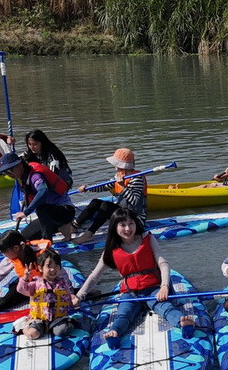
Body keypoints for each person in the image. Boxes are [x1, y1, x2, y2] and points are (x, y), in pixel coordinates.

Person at [76, 209, 196, 349]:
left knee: (165, 307)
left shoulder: (147, 238)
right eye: (122, 225)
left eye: (131, 223)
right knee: (124, 314)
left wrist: (164, 286)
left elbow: (163, 264)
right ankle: (115, 333)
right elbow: (94, 276)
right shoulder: (111, 249)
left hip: (154, 288)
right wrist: (79, 296)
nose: (128, 228)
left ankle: (183, 323)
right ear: (115, 227)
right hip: (130, 292)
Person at [71, 148, 146, 243]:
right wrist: (87, 188)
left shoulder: (137, 178)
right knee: (96, 202)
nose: (114, 166)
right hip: (123, 212)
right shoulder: (120, 175)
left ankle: (89, 234)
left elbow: (134, 201)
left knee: (106, 206)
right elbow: (105, 186)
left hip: (134, 219)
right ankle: (74, 226)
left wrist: (123, 186)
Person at [0, 152, 75, 241]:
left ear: (20, 166)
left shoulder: (35, 176)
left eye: (9, 171)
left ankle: (48, 242)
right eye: (5, 172)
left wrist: (26, 212)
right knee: (25, 237)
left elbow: (43, 190)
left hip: (65, 211)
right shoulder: (23, 177)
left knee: (41, 208)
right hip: (50, 215)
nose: (8, 174)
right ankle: (62, 227)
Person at [12, 249, 78, 339]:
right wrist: (25, 278)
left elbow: (66, 297)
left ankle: (68, 323)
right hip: (39, 320)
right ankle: (23, 328)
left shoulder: (62, 283)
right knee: (33, 334)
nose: (53, 269)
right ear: (40, 268)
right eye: (48, 266)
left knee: (62, 331)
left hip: (57, 319)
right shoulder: (35, 284)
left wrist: (72, 303)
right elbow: (21, 289)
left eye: (56, 266)